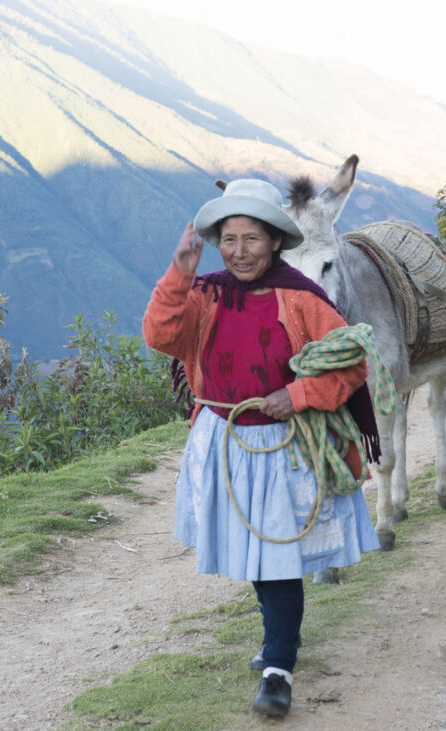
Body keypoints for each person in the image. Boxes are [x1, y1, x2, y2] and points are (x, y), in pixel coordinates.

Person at [142, 179, 380, 718]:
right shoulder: (204, 295)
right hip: (224, 441)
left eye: (252, 238)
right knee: (258, 550)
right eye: (229, 239)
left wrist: (295, 394)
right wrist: (179, 272)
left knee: (278, 559)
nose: (240, 251)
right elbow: (161, 336)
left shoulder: (301, 299)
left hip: (284, 447)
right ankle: (278, 639)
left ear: (275, 241)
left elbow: (350, 361)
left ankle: (278, 669)